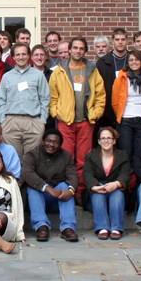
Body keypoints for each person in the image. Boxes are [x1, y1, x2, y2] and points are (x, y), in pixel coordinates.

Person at [48, 38, 105, 194]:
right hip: (65, 122)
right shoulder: (59, 71)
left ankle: (80, 192)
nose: (78, 51)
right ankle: (66, 189)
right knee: (65, 158)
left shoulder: (92, 70)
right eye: (75, 48)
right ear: (70, 50)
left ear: (85, 51)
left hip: (86, 122)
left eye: (81, 48)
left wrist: (95, 114)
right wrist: (56, 113)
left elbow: (100, 95)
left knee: (83, 159)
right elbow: (52, 97)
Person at [21, 129, 79, 242]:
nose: (51, 145)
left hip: (57, 198)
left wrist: (71, 191)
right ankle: (41, 226)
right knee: (32, 187)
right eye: (48, 141)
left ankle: (68, 228)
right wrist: (47, 188)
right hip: (36, 199)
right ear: (43, 141)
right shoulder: (32, 154)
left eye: (56, 142)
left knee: (64, 186)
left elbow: (73, 175)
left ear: (60, 145)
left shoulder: (66, 156)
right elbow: (27, 173)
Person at [83, 125, 132, 240]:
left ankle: (116, 228)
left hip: (116, 190)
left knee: (117, 193)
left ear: (114, 141)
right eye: (103, 138)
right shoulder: (90, 156)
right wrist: (94, 187)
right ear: (99, 141)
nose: (106, 141)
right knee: (98, 193)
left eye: (109, 138)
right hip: (96, 192)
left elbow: (125, 174)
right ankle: (102, 228)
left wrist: (116, 184)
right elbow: (88, 174)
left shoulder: (122, 156)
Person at [111, 50, 141, 160]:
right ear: (127, 63)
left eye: (136, 60)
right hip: (125, 120)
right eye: (131, 60)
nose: (134, 62)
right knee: (126, 152)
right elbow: (115, 101)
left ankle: (139, 171)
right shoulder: (121, 78)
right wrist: (120, 115)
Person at [92, 29, 129, 129]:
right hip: (108, 110)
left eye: (123, 39)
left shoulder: (133, 60)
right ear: (112, 41)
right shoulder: (102, 62)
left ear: (127, 41)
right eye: (117, 39)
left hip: (128, 109)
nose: (120, 42)